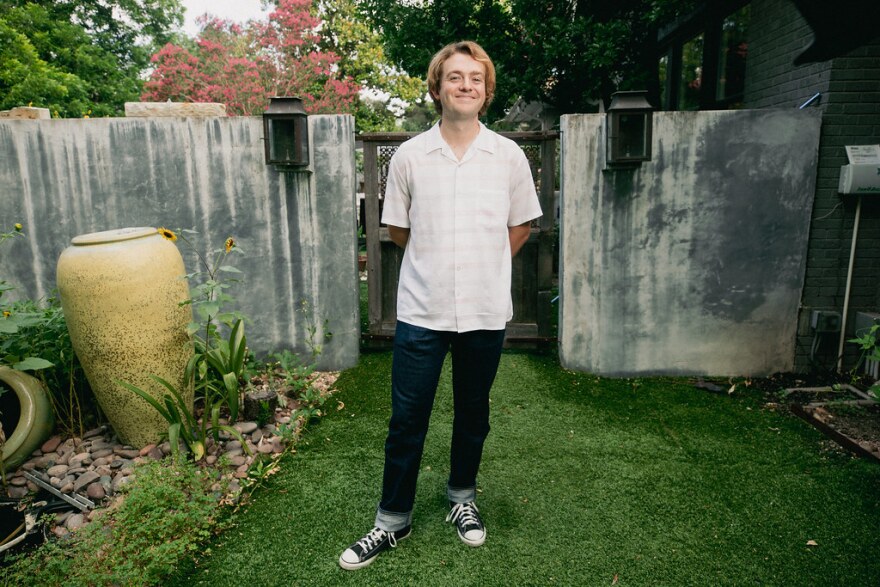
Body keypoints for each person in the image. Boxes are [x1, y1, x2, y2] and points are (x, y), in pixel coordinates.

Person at [338, 40, 542, 571]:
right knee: (407, 418)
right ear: (437, 88)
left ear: (487, 90)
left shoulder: (508, 156)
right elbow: (397, 230)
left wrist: (482, 262)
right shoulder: (409, 156)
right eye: (455, 77)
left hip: (483, 310)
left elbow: (520, 226)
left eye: (475, 78)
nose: (466, 86)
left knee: (474, 413)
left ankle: (461, 498)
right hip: (422, 310)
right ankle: (392, 520)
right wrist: (438, 261)